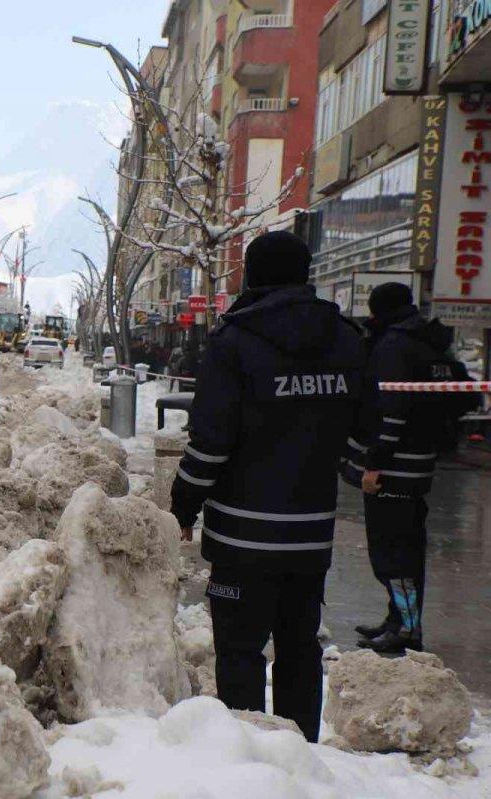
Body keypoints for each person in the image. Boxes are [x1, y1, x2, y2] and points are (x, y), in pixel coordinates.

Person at [170, 231, 364, 742]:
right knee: (300, 648)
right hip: (311, 538)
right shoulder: (346, 339)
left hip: (242, 538)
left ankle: (250, 757)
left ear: (252, 275)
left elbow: (210, 444)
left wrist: (183, 507)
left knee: (240, 652)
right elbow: (362, 433)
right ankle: (301, 758)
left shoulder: (234, 343)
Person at [342, 282, 479, 654]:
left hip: (394, 468)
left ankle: (406, 627)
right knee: (406, 549)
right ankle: (398, 619)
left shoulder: (394, 346)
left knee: (392, 553)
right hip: (421, 462)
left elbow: (391, 411)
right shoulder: (432, 342)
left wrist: (374, 464)